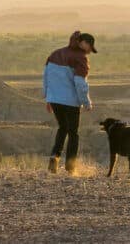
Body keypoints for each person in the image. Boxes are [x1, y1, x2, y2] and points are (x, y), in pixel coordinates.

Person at [42, 30, 97, 174]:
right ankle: (71, 166)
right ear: (84, 43)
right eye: (90, 48)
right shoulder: (80, 58)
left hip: (54, 99)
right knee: (73, 132)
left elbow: (46, 77)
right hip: (70, 101)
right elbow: (80, 83)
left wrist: (48, 98)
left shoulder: (55, 54)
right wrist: (86, 102)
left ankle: (55, 156)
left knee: (62, 128)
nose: (90, 52)